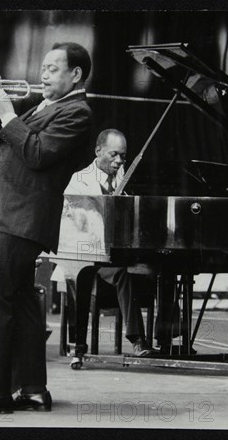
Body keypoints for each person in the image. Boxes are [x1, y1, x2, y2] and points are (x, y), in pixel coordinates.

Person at [0, 42, 93, 415]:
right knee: (21, 301)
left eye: (51, 68)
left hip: (20, 216)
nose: (42, 75)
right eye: (43, 68)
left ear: (75, 74)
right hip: (13, 213)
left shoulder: (76, 112)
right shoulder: (49, 106)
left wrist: (8, 114)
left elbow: (37, 154)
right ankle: (33, 389)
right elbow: (7, 148)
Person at [63, 129, 158, 356]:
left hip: (119, 251)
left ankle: (168, 334)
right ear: (98, 151)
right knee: (123, 273)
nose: (118, 161)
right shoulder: (78, 180)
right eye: (113, 155)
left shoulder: (126, 177)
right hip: (89, 255)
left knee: (163, 266)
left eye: (123, 157)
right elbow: (72, 222)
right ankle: (137, 340)